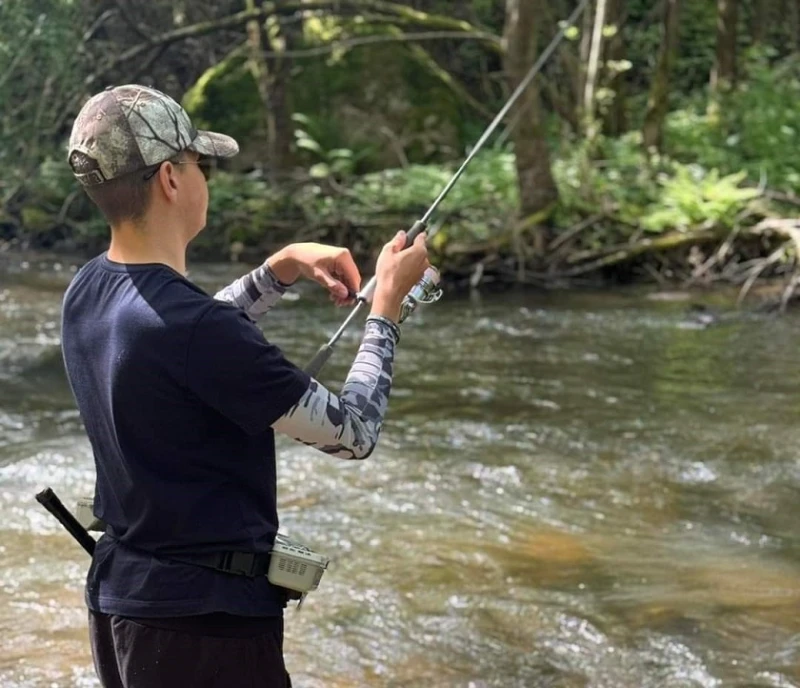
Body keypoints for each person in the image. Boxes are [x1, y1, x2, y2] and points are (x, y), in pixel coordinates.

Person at [60, 84, 429, 688]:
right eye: (200, 163)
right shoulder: (196, 330)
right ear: (171, 179)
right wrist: (385, 311)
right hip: (203, 630)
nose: (207, 177)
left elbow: (181, 333)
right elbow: (354, 433)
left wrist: (277, 270)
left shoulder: (90, 288)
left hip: (124, 605)